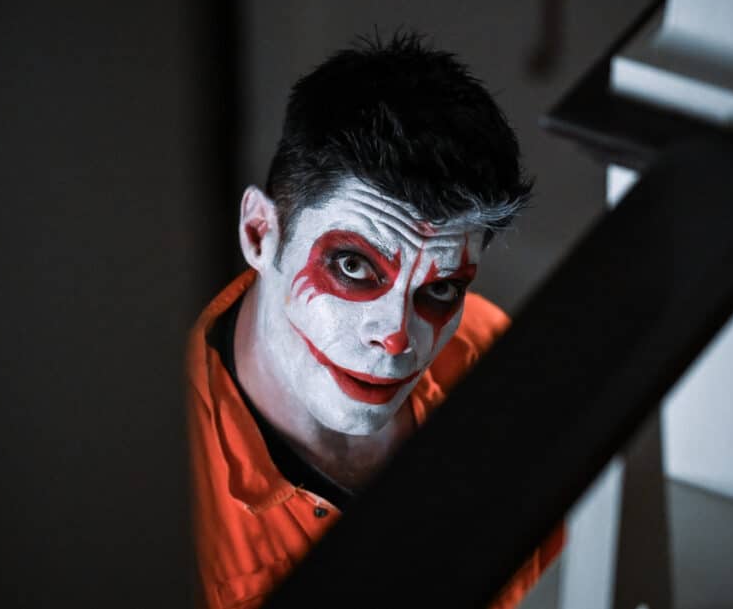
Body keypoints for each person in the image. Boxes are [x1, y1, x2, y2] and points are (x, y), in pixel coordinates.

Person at [187, 33, 564, 609]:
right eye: (353, 265)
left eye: (439, 288)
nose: (396, 337)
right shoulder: (161, 483)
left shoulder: (496, 365)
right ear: (260, 233)